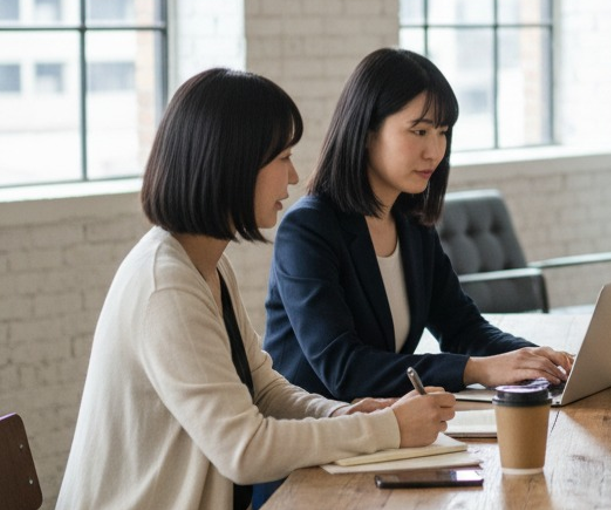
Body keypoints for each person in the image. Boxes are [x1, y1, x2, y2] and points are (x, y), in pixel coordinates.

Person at [56, 68, 456, 510]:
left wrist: (346, 413)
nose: (293, 175)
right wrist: (390, 429)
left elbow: (263, 390)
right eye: (282, 157)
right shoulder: (166, 287)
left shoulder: (206, 265)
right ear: (234, 163)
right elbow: (244, 450)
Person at [262, 48, 573, 402]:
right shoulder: (307, 230)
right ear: (366, 132)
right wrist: (478, 368)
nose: (434, 151)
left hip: (381, 427)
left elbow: (462, 327)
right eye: (420, 131)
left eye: (442, 132)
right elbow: (344, 369)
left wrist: (542, 362)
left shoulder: (411, 224)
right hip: (314, 435)